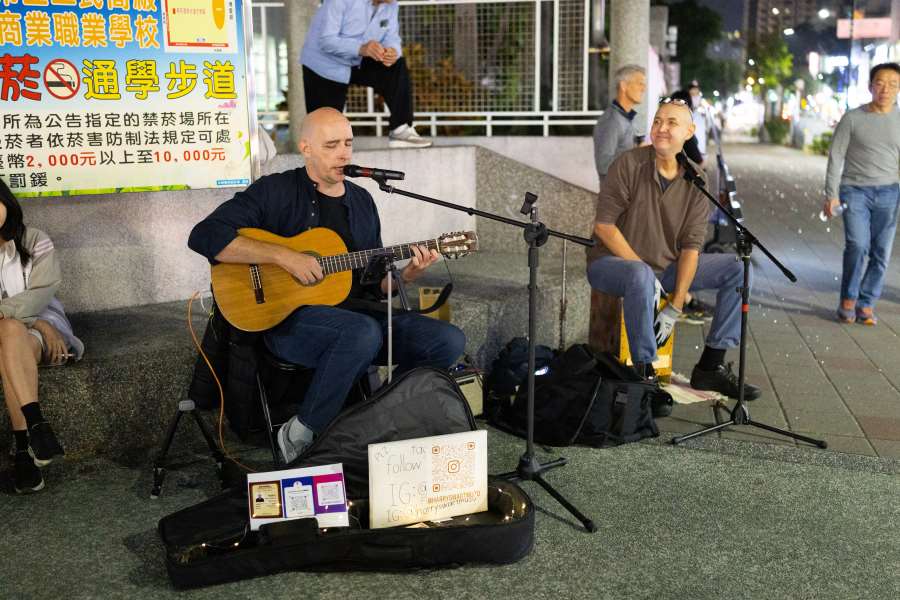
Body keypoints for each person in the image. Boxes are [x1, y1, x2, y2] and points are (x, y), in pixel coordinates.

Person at [188, 108, 465, 463]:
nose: (344, 154)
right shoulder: (276, 191)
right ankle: (299, 433)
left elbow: (371, 285)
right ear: (306, 148)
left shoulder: (362, 201)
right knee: (360, 332)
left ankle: (377, 421)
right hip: (285, 322)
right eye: (332, 145)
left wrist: (406, 275)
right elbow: (205, 235)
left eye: (348, 143)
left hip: (356, 316)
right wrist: (283, 257)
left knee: (446, 340)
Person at [585, 99, 761, 400]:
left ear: (689, 132)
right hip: (611, 264)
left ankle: (710, 367)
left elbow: (692, 247)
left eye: (671, 123)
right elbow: (604, 227)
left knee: (738, 268)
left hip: (663, 268)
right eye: (657, 122)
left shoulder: (697, 180)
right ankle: (645, 373)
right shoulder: (629, 164)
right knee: (639, 274)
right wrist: (648, 280)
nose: (661, 129)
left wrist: (677, 304)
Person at [1, 178, 83, 493]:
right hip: (27, 331)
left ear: (7, 202)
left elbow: (42, 292)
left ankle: (23, 447)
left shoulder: (35, 240)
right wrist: (33, 324)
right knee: (7, 334)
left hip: (38, 329)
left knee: (8, 332)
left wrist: (35, 324)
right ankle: (34, 429)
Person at [824, 62, 900, 325]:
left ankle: (866, 303)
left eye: (892, 84)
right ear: (870, 86)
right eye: (880, 82)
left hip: (890, 192)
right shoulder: (853, 118)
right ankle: (848, 298)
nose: (886, 89)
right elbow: (836, 155)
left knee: (881, 252)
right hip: (854, 191)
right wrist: (831, 193)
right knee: (857, 245)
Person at [300, 0, 431, 149]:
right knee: (325, 134)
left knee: (397, 65)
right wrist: (361, 48)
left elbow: (391, 36)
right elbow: (327, 40)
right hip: (324, 65)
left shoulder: (392, 4)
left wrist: (392, 51)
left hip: (359, 59)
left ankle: (401, 130)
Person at [593, 64, 646, 189]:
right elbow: (603, 165)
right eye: (640, 83)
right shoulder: (611, 121)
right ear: (624, 86)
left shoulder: (626, 118)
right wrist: (636, 152)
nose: (644, 88)